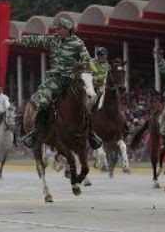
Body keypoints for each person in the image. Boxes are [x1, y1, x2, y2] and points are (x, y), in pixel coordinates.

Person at [5, 17, 101, 149]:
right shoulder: (53, 39)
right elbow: (35, 40)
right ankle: (35, 132)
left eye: (59, 28)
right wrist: (15, 41)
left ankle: (91, 134)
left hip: (72, 78)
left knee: (87, 102)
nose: (56, 30)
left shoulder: (78, 43)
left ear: (67, 29)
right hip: (54, 78)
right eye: (56, 28)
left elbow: (87, 60)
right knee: (43, 100)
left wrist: (94, 73)